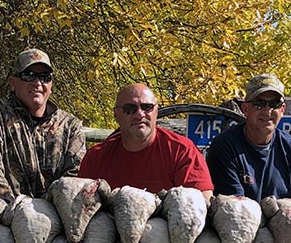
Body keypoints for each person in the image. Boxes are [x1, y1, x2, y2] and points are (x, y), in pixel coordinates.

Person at [0, 48, 85, 202]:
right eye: (29, 75)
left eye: (45, 77)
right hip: (6, 212)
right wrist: (12, 210)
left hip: (56, 214)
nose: (38, 83)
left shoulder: (70, 126)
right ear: (13, 83)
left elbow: (75, 176)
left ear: (51, 85)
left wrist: (51, 211)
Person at [206, 73, 291, 207]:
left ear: (282, 109)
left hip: (286, 224)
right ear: (245, 109)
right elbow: (234, 209)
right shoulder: (225, 147)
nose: (267, 110)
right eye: (259, 103)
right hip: (240, 223)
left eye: (275, 103)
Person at [78, 83, 213, 199]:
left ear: (156, 111)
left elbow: (200, 208)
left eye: (147, 107)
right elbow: (81, 208)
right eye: (129, 109)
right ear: (116, 115)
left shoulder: (182, 151)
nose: (140, 114)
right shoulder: (95, 158)